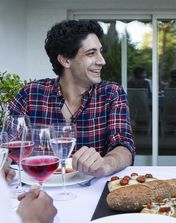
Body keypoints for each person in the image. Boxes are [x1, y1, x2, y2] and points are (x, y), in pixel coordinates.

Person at [8, 20, 135, 178]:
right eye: (91, 53)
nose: (102, 60)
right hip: (39, 190)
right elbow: (7, 145)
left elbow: (123, 145)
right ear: (65, 60)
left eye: (100, 51)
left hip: (92, 191)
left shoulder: (111, 93)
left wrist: (107, 163)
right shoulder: (31, 94)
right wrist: (4, 165)